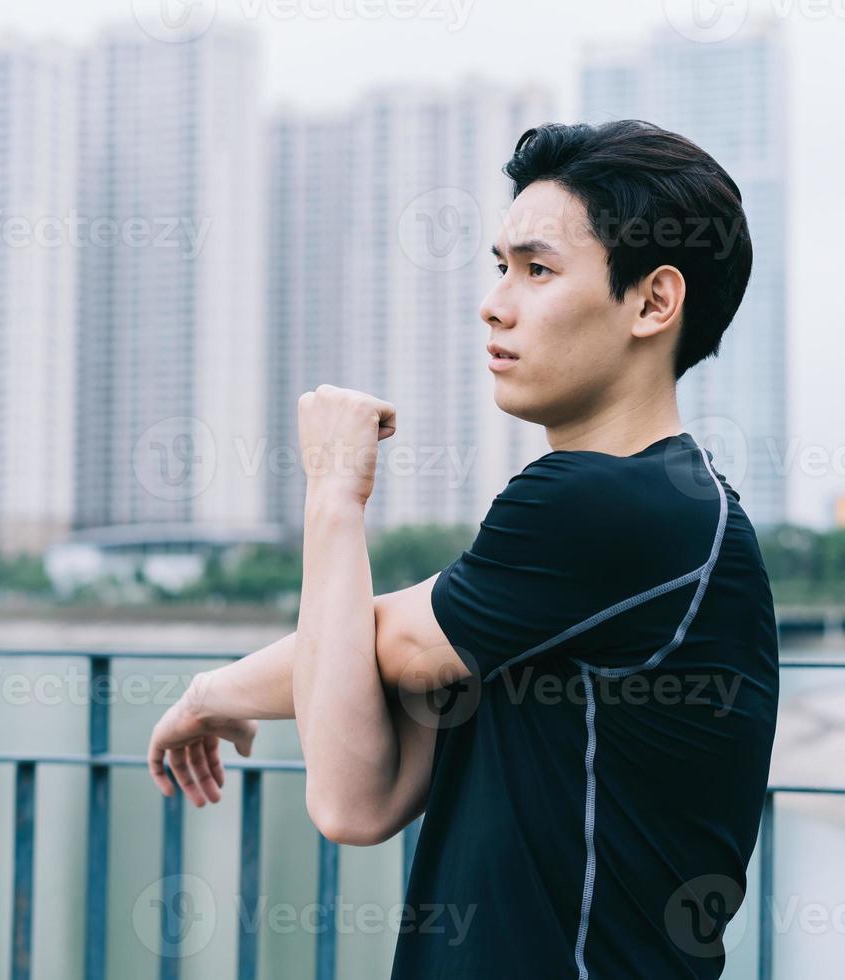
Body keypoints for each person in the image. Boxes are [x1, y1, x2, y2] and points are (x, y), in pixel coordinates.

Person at [145, 119, 780, 978]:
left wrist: (335, 491)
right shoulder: (656, 514)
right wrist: (213, 690)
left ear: (653, 301)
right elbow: (372, 784)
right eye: (500, 267)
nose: (495, 301)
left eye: (538, 269)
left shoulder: (611, 504)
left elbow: (337, 787)